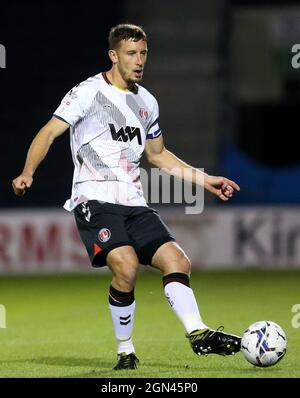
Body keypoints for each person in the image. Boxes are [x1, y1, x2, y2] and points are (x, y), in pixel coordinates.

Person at [12, 23, 241, 370]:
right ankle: (125, 350)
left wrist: (205, 179)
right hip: (95, 199)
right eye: (132, 54)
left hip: (134, 202)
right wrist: (28, 171)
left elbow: (159, 155)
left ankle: (198, 333)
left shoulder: (146, 102)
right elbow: (49, 131)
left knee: (177, 261)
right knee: (127, 267)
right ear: (113, 55)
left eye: (144, 53)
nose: (139, 61)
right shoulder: (88, 92)